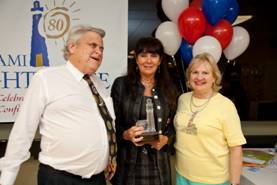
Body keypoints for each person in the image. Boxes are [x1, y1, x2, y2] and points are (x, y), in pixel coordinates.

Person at [0, 25, 116, 185]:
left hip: (97, 179)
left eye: (102, 48)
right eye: (93, 45)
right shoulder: (46, 79)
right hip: (59, 179)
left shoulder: (99, 85)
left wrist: (109, 156)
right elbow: (23, 132)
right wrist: (6, 179)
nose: (99, 52)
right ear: (72, 47)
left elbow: (105, 125)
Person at [110, 37, 179, 185]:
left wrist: (166, 139)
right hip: (128, 164)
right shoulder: (121, 85)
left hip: (159, 165)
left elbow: (175, 126)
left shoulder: (170, 89)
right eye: (143, 55)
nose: (148, 61)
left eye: (154, 56)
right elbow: (112, 123)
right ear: (136, 59)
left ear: (160, 60)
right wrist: (126, 134)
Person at [174, 53, 246, 185]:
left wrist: (235, 183)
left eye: (205, 73)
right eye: (195, 72)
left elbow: (236, 148)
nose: (199, 77)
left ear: (214, 77)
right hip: (182, 175)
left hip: (212, 180)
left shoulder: (225, 106)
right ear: (189, 76)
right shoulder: (182, 99)